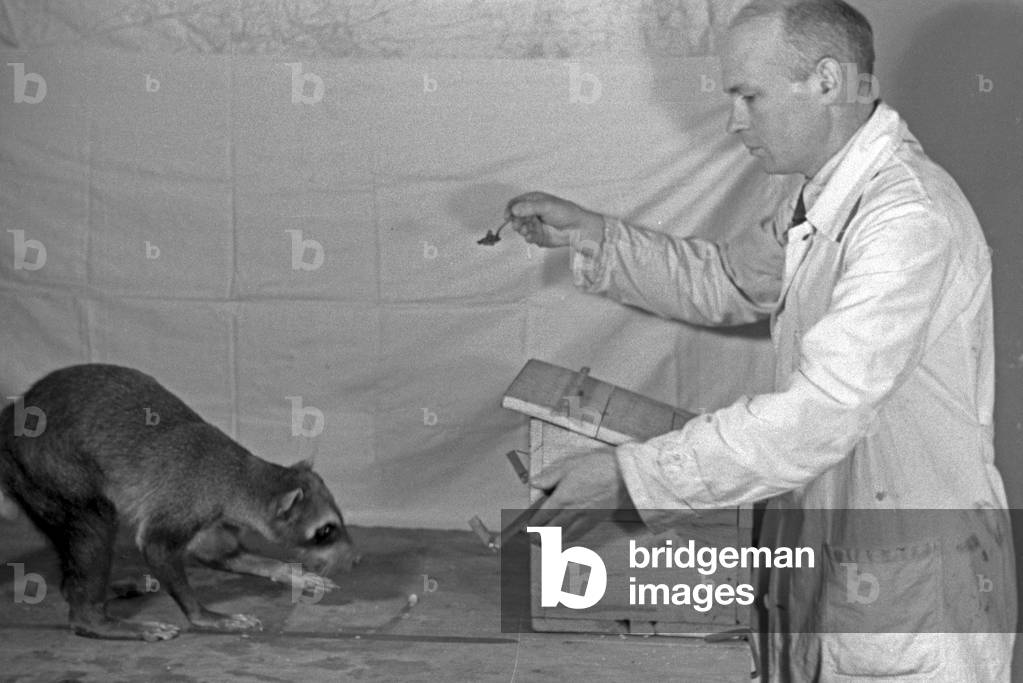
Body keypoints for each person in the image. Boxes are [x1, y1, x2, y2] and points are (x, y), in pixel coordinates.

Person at [505, 0, 1017, 680]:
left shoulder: (905, 221)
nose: (733, 122)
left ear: (827, 81)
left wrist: (634, 475)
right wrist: (591, 235)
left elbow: (818, 414)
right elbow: (724, 279)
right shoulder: (823, 194)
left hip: (912, 575)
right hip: (842, 549)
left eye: (748, 95)